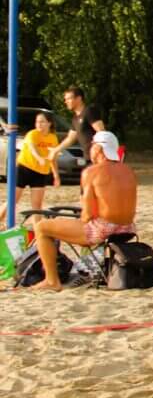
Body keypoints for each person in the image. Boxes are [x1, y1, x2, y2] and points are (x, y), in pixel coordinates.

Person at [26, 131, 136, 292]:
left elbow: (87, 214)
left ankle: (52, 281)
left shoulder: (91, 172)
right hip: (128, 228)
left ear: (98, 149)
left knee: (42, 227)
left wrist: (83, 216)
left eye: (92, 146)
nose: (90, 149)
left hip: (103, 229)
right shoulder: (128, 171)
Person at [8, 111, 60, 212]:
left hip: (40, 173)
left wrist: (56, 175)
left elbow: (53, 158)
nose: (38, 124)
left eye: (42, 122)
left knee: (37, 206)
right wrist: (39, 158)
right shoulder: (32, 134)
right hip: (24, 169)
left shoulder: (53, 138)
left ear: (49, 123)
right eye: (37, 122)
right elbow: (32, 148)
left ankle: (37, 223)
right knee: (12, 201)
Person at [49, 86, 106, 169]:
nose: (66, 102)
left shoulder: (89, 111)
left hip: (98, 159)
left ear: (79, 98)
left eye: (69, 99)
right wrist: (56, 150)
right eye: (65, 99)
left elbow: (101, 132)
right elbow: (70, 139)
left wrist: (97, 149)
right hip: (88, 158)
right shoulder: (75, 118)